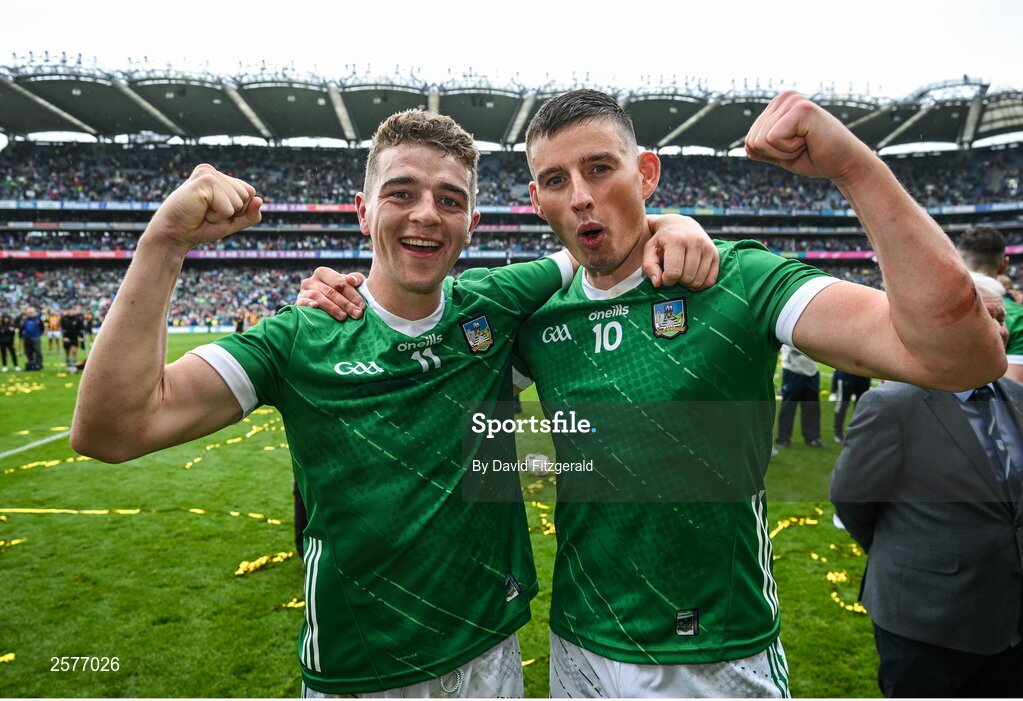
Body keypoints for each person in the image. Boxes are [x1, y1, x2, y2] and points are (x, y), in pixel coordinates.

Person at [300, 88, 1006, 698]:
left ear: (646, 173)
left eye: (598, 169)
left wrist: (852, 165)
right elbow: (412, 333)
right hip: (578, 644)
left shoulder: (738, 281)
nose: (578, 194)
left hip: (716, 652)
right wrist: (341, 292)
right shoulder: (532, 316)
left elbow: (956, 356)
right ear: (536, 199)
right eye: (554, 179)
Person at [71, 109, 718, 698]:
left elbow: (600, 240)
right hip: (361, 672)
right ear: (363, 209)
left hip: (490, 654)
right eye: (401, 193)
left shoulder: (494, 303)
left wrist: (671, 222)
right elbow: (112, 427)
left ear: (473, 221)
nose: (426, 214)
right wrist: (165, 239)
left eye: (449, 199)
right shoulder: (300, 336)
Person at [830, 272, 1023, 697]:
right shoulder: (894, 404)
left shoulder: (1015, 396)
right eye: (985, 316)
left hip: (1009, 618)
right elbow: (852, 500)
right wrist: (912, 558)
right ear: (944, 324)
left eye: (1003, 317)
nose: (1000, 329)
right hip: (926, 621)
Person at [957, 226, 1023, 382]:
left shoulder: (936, 310)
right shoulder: (1019, 317)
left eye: (999, 319)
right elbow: (1014, 392)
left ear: (958, 262)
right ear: (1004, 265)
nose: (998, 329)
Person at [775, 344, 826, 448]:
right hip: (792, 370)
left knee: (811, 407)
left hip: (812, 371)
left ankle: (812, 438)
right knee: (788, 406)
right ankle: (783, 438)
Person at [832, 369, 872, 443]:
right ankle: (838, 433)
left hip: (864, 371)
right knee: (842, 403)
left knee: (862, 404)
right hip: (846, 370)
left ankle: (858, 432)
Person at [60, 305, 85, 373]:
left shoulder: (77, 318)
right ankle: (68, 366)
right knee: (67, 352)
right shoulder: (64, 318)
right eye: (69, 310)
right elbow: (62, 328)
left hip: (74, 337)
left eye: (72, 310)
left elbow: (81, 329)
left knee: (74, 351)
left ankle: (74, 366)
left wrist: (80, 337)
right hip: (67, 337)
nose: (70, 311)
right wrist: (64, 337)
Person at [20, 305, 44, 371]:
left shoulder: (38, 319)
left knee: (37, 351)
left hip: (35, 337)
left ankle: (39, 364)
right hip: (27, 337)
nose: (30, 314)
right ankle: (31, 363)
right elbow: (22, 328)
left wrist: (39, 334)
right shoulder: (25, 320)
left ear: (34, 312)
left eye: (31, 312)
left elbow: (42, 328)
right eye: (29, 312)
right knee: (28, 351)